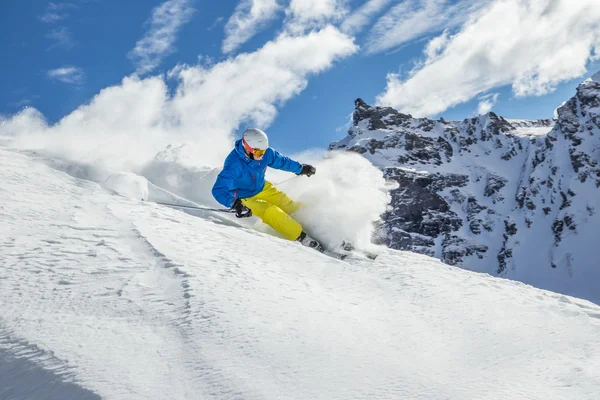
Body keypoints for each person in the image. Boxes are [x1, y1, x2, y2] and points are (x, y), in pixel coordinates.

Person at [212, 128, 323, 251]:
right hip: (244, 196)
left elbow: (281, 161)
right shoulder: (234, 164)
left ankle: (315, 226)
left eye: (264, 152)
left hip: (262, 187)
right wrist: (234, 203)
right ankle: (302, 237)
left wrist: (300, 169)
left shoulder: (265, 153)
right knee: (270, 210)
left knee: (286, 203)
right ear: (248, 149)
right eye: (259, 153)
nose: (262, 156)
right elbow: (218, 189)